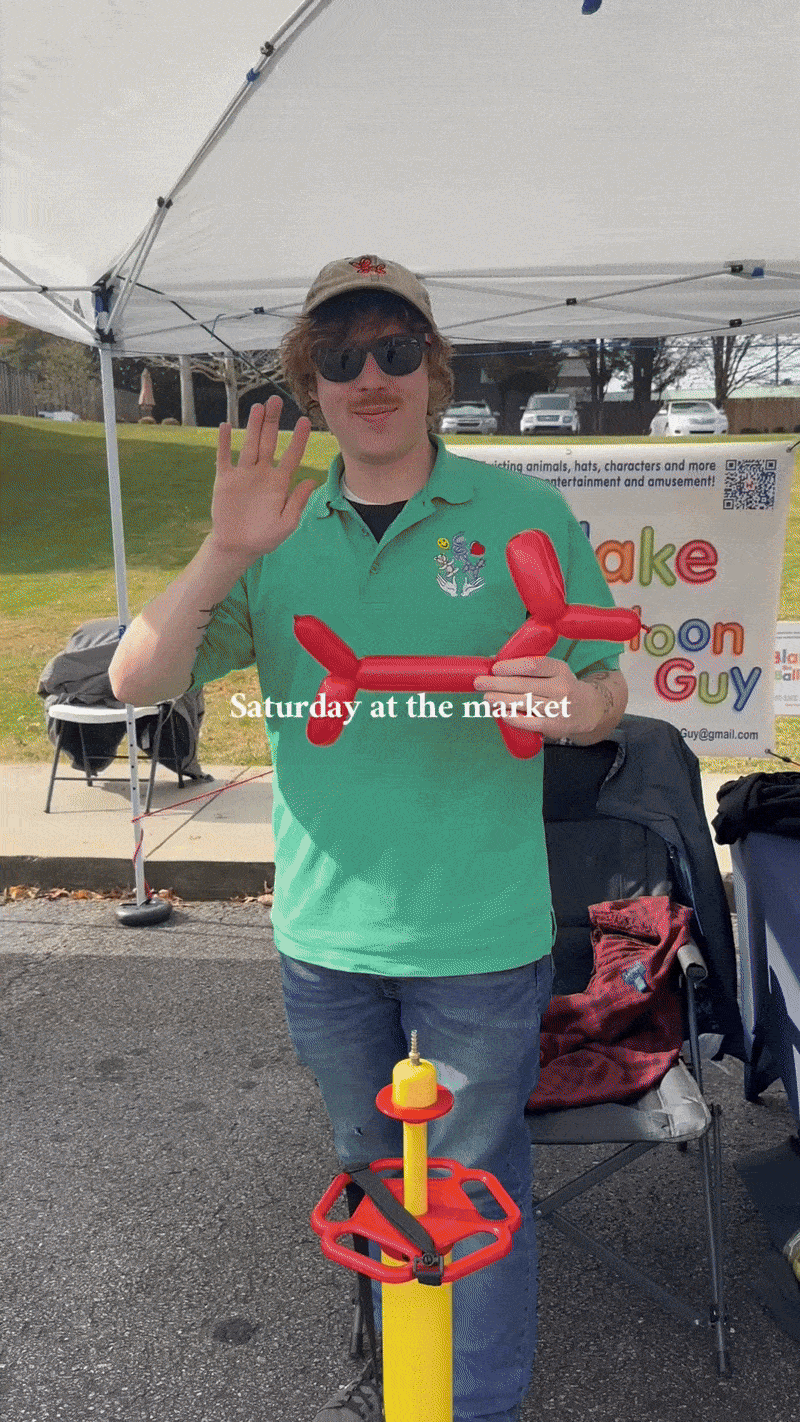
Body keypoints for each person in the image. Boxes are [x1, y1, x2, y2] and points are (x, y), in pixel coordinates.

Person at [110, 254, 629, 1422]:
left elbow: (603, 692)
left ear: (434, 369)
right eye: (340, 357)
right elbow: (140, 681)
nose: (370, 375)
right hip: (325, 943)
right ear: (312, 382)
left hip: (478, 941)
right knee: (375, 1184)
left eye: (396, 348)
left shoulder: (523, 514)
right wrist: (226, 551)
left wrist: (574, 707)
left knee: (469, 1190)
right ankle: (399, 1379)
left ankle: (470, 1406)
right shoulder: (274, 525)